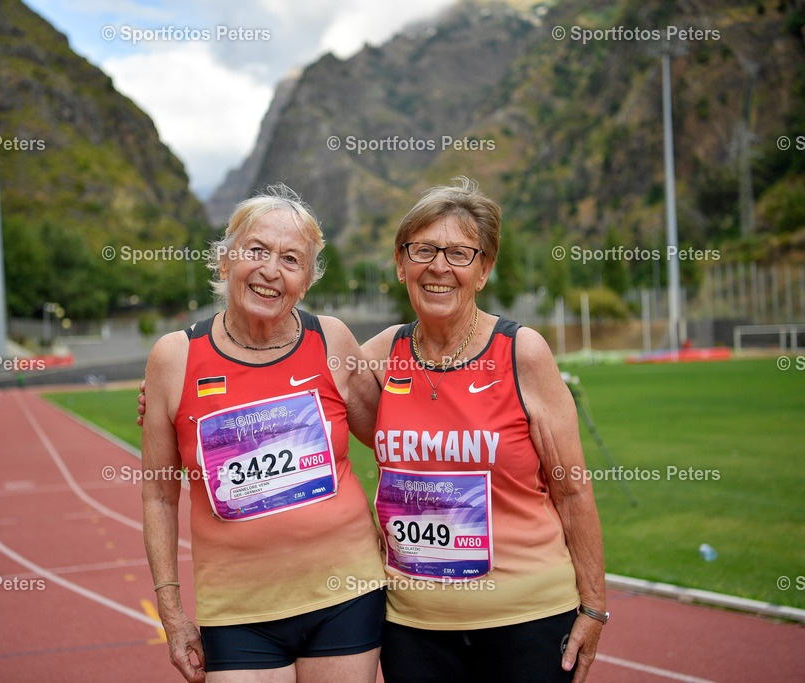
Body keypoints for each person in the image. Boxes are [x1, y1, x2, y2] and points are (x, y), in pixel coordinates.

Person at [349, 177, 606, 682]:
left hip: (526, 618)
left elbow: (572, 488)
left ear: (484, 269)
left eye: (460, 253)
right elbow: (295, 398)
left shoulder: (522, 352)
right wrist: (160, 398)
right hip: (413, 629)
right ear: (401, 264)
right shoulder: (380, 354)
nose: (439, 266)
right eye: (423, 249)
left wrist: (594, 606)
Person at [140, 184, 386, 682]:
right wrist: (171, 611)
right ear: (226, 259)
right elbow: (159, 496)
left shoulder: (331, 340)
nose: (271, 270)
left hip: (346, 592)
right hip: (236, 610)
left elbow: (393, 435)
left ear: (307, 280)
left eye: (291, 259)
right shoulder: (174, 358)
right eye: (257, 250)